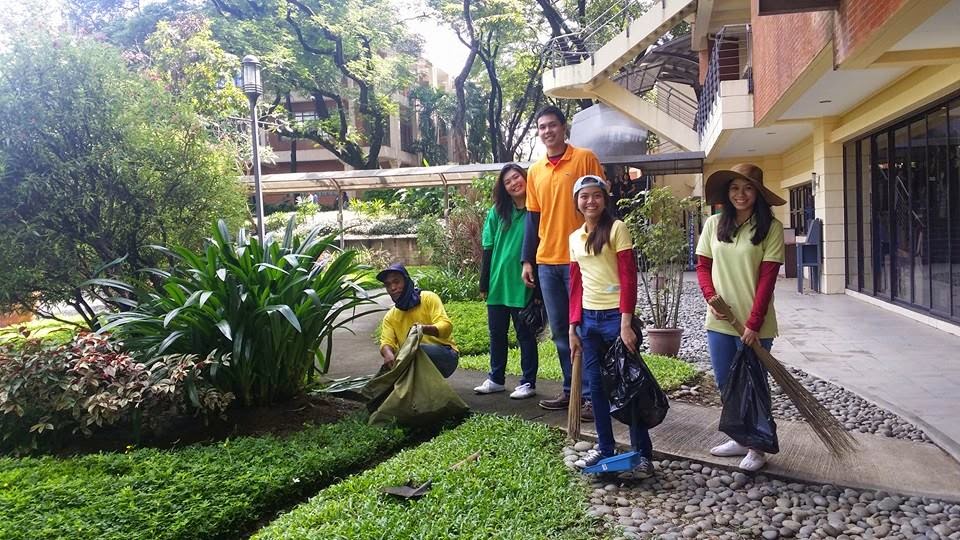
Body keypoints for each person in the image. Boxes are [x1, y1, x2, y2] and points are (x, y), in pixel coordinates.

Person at [695, 163, 786, 472]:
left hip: (754, 324)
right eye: (734, 188)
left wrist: (754, 324)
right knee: (727, 382)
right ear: (727, 193)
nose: (740, 194)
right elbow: (702, 266)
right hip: (720, 320)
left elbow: (768, 278)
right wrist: (711, 297)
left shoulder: (770, 228)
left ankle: (758, 447)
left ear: (757, 193)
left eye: (747, 188)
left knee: (754, 384)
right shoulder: (713, 224)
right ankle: (738, 437)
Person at [521, 105, 605, 418]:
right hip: (547, 263)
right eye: (542, 127)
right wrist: (527, 260)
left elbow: (600, 204)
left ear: (563, 127)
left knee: (584, 328)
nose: (547, 131)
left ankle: (591, 395)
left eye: (552, 125)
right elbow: (532, 219)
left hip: (581, 261)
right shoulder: (535, 171)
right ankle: (571, 391)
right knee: (559, 330)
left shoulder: (585, 158)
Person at [567, 175, 654, 475]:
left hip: (617, 320)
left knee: (629, 387)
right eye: (584, 196)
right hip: (588, 323)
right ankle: (605, 448)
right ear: (577, 201)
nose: (590, 201)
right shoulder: (574, 238)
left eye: (596, 196)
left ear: (605, 199)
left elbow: (628, 277)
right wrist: (572, 327)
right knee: (597, 390)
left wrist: (626, 324)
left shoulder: (617, 229)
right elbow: (576, 284)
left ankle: (642, 454)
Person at [474, 164, 540, 399]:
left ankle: (528, 382)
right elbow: (488, 248)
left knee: (525, 334)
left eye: (516, 177)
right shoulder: (497, 211)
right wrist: (484, 283)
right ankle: (496, 378)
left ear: (525, 178)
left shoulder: (536, 210)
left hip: (524, 282)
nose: (514, 183)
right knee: (497, 333)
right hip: (497, 282)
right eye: (508, 182)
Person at [377, 263, 458, 378]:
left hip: (446, 356)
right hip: (413, 357)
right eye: (388, 284)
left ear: (406, 282)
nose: (392, 288)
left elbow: (446, 327)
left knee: (412, 351)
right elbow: (387, 342)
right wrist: (388, 354)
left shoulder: (428, 298)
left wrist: (423, 329)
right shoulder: (390, 317)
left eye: (396, 282)